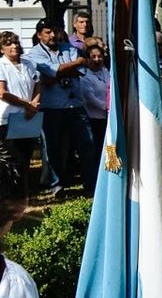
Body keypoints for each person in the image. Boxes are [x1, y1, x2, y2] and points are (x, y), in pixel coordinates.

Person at [25, 20, 92, 196]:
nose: (52, 35)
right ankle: (57, 184)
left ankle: (90, 183)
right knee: (52, 147)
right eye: (48, 32)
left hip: (75, 104)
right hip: (51, 107)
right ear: (39, 35)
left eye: (54, 31)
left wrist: (65, 69)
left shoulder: (68, 48)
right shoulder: (34, 54)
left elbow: (80, 70)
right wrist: (74, 64)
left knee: (86, 143)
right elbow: (52, 72)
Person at [0, 34, 41, 198]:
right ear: (2, 48)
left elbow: (38, 85)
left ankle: (23, 192)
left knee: (26, 157)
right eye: (9, 44)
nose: (14, 46)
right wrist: (26, 104)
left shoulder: (29, 64)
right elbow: (2, 93)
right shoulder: (1, 65)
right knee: (10, 158)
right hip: (8, 118)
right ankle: (9, 193)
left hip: (28, 117)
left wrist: (34, 105)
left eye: (16, 42)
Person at [78, 43, 110, 175]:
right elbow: (90, 98)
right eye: (93, 57)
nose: (97, 60)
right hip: (94, 117)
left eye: (100, 56)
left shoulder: (106, 72)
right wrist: (107, 108)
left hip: (107, 117)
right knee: (95, 148)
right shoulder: (85, 76)